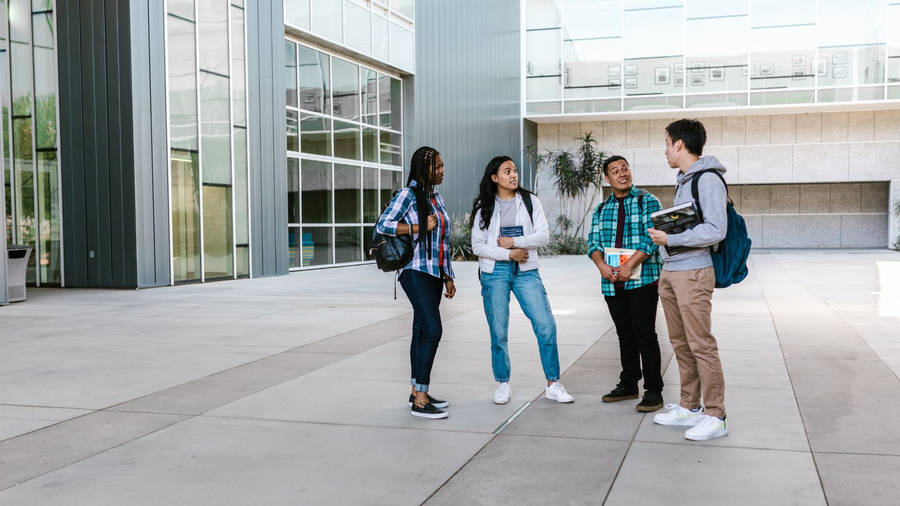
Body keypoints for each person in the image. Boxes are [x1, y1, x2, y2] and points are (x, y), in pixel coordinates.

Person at [648, 119, 729, 441]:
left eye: (667, 143)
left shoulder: (707, 179)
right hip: (673, 271)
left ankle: (715, 414)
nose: (665, 150)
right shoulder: (684, 180)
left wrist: (671, 240)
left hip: (693, 271)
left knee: (701, 344)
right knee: (680, 342)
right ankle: (690, 406)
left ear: (680, 144)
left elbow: (716, 229)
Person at [470, 156, 574, 405]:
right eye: (507, 171)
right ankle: (502, 383)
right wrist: (509, 254)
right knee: (499, 331)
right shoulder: (483, 205)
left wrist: (516, 243)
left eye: (514, 170)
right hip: (495, 273)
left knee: (546, 325)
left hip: (526, 271)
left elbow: (543, 236)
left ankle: (553, 383)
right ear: (494, 178)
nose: (513, 175)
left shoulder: (529, 201)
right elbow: (477, 246)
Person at [376, 146, 456, 419]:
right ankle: (420, 401)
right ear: (424, 170)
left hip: (433, 273)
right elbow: (383, 225)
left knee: (422, 332)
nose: (443, 171)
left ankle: (416, 391)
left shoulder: (435, 197)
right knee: (433, 331)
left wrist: (448, 276)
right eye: (438, 167)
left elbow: (443, 241)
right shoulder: (407, 195)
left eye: (443, 166)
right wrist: (418, 227)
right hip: (414, 271)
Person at [587, 155, 664, 412]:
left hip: (643, 279)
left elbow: (652, 238)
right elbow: (593, 242)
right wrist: (602, 266)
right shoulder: (600, 209)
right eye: (615, 171)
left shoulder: (647, 201)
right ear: (606, 178)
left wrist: (630, 264)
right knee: (624, 334)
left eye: (625, 169)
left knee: (645, 334)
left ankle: (653, 390)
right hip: (612, 282)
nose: (622, 174)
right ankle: (629, 383)